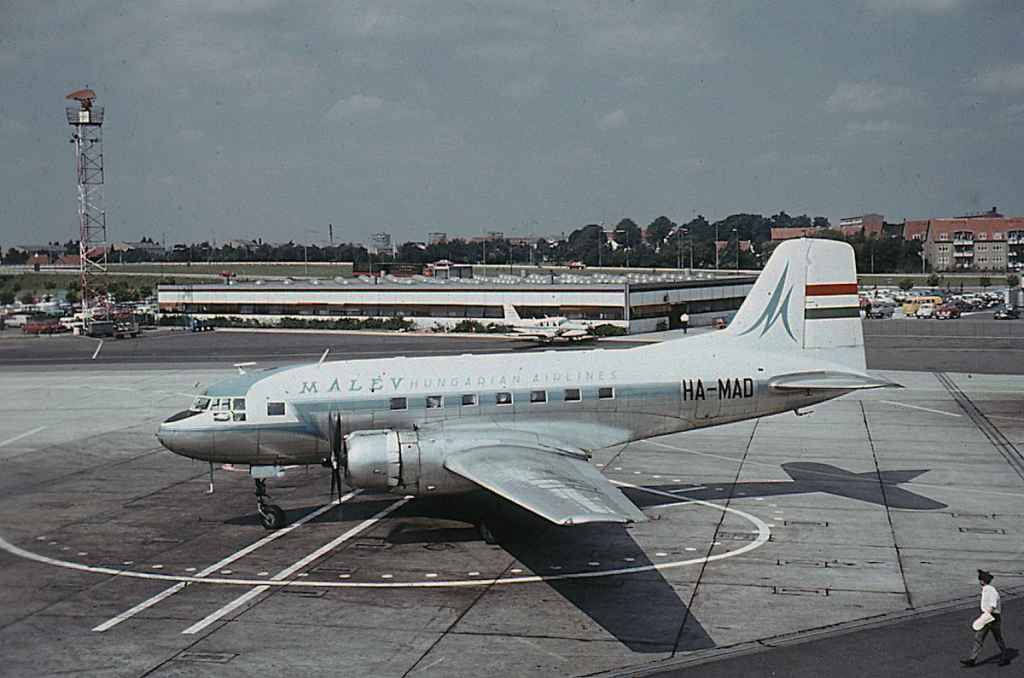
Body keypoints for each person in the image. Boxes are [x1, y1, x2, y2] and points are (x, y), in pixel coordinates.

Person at [961, 569, 1010, 667]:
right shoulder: (988, 589)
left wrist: (986, 616)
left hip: (991, 617)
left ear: (982, 581)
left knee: (989, 637)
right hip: (991, 616)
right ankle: (972, 659)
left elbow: (992, 604)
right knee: (982, 637)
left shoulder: (989, 590)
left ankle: (1003, 656)